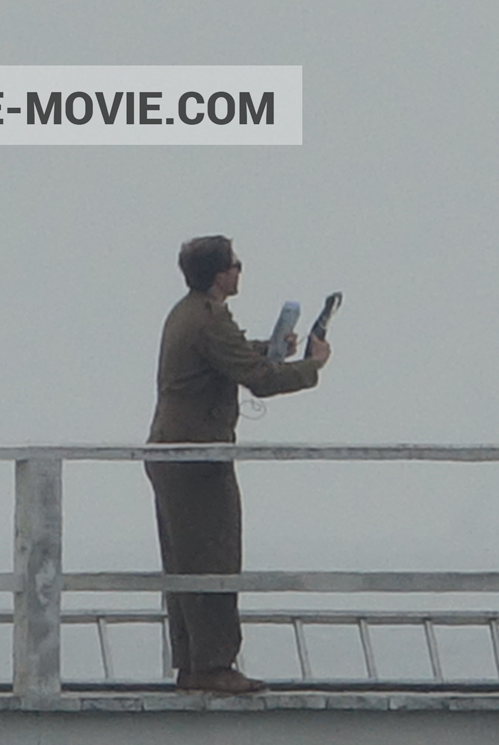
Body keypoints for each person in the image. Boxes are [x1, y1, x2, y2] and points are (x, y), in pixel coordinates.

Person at [145, 235, 330, 695]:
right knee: (213, 556)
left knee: (187, 563)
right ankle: (214, 666)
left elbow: (232, 356)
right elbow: (259, 381)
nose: (240, 270)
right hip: (196, 457)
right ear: (218, 274)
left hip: (175, 453)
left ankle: (194, 663)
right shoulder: (208, 318)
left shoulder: (190, 312)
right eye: (235, 264)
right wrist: (312, 367)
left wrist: (269, 346)